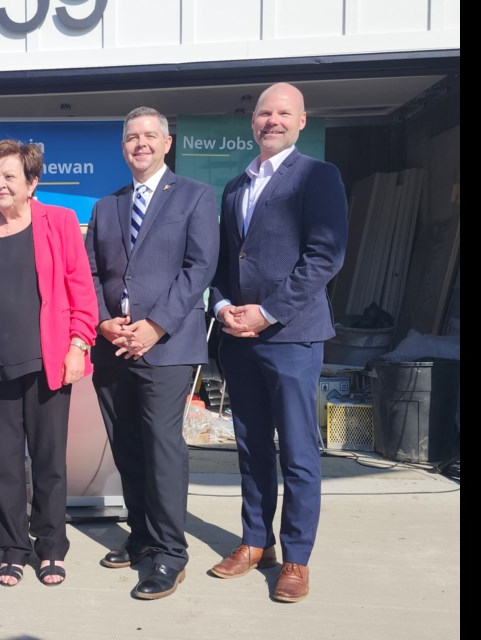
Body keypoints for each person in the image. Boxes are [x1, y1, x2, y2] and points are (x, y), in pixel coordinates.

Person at [208, 83, 348, 602]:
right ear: (253, 122)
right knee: (250, 449)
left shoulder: (317, 176)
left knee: (297, 452)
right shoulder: (234, 186)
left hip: (291, 336)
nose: (272, 120)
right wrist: (223, 308)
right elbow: (225, 263)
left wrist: (266, 314)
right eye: (264, 113)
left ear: (302, 121)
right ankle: (254, 541)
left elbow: (325, 257)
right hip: (239, 340)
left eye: (283, 113)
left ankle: (296, 558)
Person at [0, 140, 98, 587]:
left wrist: (77, 346)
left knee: (49, 461)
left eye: (9, 176)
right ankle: (12, 547)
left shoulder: (60, 222)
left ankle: (50, 548)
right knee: (2, 464)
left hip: (47, 360)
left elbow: (81, 292)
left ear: (32, 182)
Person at [84, 107, 219, 600]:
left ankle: (169, 553)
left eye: (149, 136)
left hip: (167, 346)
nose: (140, 144)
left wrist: (155, 325)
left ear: (166, 144)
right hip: (113, 346)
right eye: (131, 138)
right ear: (123, 148)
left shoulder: (196, 198)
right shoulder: (106, 206)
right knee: (127, 447)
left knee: (162, 449)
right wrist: (102, 322)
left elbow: (199, 268)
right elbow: (92, 273)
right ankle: (140, 535)